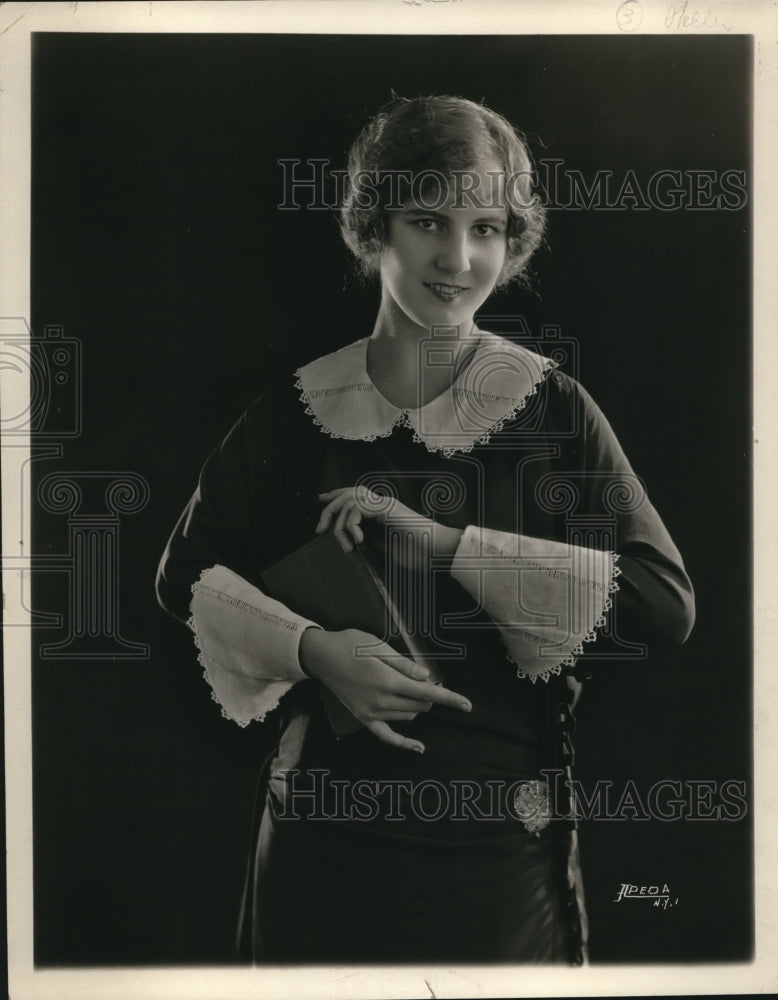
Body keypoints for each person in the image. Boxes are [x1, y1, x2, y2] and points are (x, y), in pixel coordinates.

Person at [156, 95, 695, 965]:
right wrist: (316, 652)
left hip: (494, 849)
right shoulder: (295, 412)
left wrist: (445, 544)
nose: (458, 257)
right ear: (373, 228)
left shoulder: (549, 406)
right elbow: (181, 577)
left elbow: (663, 605)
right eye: (427, 221)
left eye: (486, 227)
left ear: (512, 243)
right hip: (318, 836)